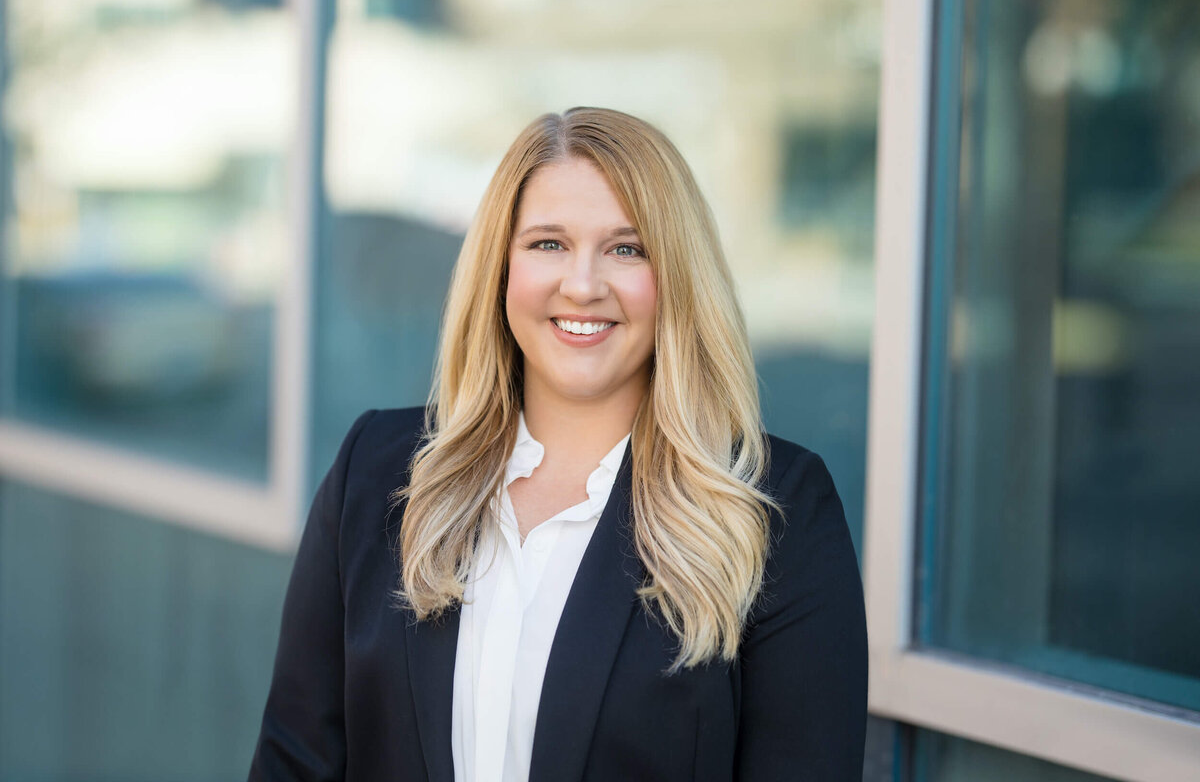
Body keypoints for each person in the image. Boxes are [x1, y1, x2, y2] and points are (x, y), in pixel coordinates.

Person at [249, 107, 867, 782]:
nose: (582, 284)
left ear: (677, 279)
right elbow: (296, 760)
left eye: (626, 248)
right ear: (502, 268)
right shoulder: (376, 472)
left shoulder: (775, 511)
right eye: (548, 244)